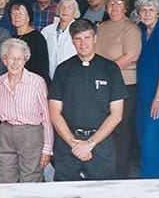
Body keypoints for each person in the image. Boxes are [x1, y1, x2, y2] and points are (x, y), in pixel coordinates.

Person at [49, 19, 128, 181]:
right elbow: (54, 112)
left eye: (87, 38)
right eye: (78, 39)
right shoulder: (63, 70)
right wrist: (74, 145)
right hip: (68, 144)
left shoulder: (110, 69)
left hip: (100, 144)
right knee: (65, 192)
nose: (83, 43)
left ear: (95, 39)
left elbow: (116, 114)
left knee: (103, 192)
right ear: (72, 42)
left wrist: (90, 143)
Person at [0, 38, 53, 183]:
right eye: (12, 58)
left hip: (31, 134)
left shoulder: (37, 81)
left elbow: (46, 116)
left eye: (20, 58)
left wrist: (47, 148)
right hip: (6, 133)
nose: (15, 63)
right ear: (4, 59)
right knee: (5, 178)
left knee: (30, 179)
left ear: (25, 60)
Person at [95, 0, 141, 178]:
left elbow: (130, 56)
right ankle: (105, 170)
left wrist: (106, 72)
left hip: (125, 85)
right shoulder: (101, 27)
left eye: (119, 3)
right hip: (102, 86)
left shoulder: (131, 28)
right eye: (111, 3)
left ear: (126, 7)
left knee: (120, 129)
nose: (114, 7)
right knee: (103, 127)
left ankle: (120, 173)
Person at [133, 0, 159, 178]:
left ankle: (145, 189)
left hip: (158, 96)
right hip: (141, 95)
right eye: (143, 10)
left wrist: (158, 99)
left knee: (151, 146)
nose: (147, 14)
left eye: (151, 10)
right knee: (146, 144)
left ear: (158, 12)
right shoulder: (138, 29)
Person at [10, 0, 50, 84]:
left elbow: (42, 69)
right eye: (13, 14)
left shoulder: (37, 38)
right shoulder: (11, 38)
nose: (16, 17)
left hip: (33, 84)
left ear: (28, 17)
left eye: (20, 14)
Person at [42, 0, 79, 80]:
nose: (65, 10)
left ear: (75, 12)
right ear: (58, 10)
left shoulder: (80, 31)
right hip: (50, 77)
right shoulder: (47, 31)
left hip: (73, 77)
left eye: (69, 8)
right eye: (62, 7)